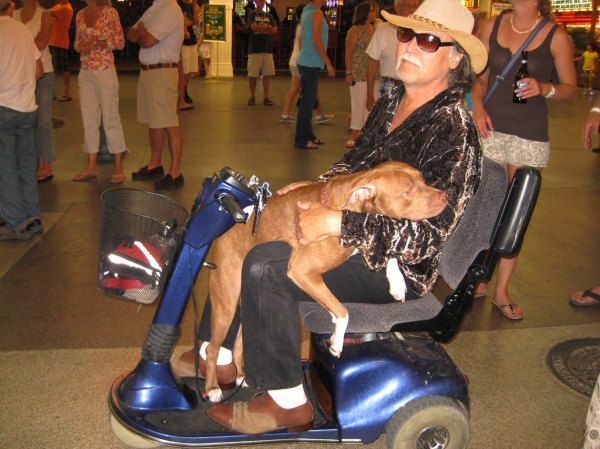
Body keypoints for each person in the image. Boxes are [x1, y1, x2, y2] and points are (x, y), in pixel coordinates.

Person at [172, 0, 487, 434]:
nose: (411, 47)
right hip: (354, 238)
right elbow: (351, 168)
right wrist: (311, 192)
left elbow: (428, 236)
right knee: (249, 228)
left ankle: (285, 400)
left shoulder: (453, 130)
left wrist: (339, 223)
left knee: (268, 264)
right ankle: (222, 358)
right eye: (406, 35)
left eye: (429, 40)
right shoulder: (393, 99)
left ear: (455, 58)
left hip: (393, 266)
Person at [470, 0, 577, 320]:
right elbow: (480, 80)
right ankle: (480, 274)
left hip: (529, 135)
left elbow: (571, 90)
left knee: (515, 212)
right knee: (486, 205)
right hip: (490, 129)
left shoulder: (556, 35)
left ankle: (501, 289)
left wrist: (544, 88)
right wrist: (477, 108)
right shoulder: (492, 26)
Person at [127, 0, 185, 189]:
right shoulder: (154, 8)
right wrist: (141, 32)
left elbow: (147, 41)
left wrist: (142, 32)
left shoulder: (170, 8)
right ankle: (155, 163)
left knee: (168, 122)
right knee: (155, 121)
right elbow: (131, 33)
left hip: (163, 71)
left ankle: (176, 172)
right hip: (148, 71)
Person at [0, 0, 44, 240]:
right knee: (26, 166)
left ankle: (16, 222)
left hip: (3, 106)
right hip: (27, 106)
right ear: (8, 7)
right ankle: (33, 216)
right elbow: (38, 71)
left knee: (5, 168)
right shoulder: (22, 30)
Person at [72, 0, 128, 184]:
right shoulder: (80, 14)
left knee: (111, 118)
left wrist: (95, 41)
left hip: (104, 70)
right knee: (88, 120)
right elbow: (77, 43)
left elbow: (119, 42)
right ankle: (91, 166)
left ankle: (118, 167)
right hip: (85, 70)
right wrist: (81, 46)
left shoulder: (110, 12)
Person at [13, 0, 56, 183]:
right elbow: (34, 42)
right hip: (20, 73)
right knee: (25, 120)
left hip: (43, 72)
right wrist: (33, 40)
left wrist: (22, 43)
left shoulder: (44, 14)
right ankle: (32, 163)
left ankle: (47, 164)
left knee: (43, 121)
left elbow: (42, 43)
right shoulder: (13, 14)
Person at [280, 4, 334, 125]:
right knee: (309, 91)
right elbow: (302, 45)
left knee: (298, 90)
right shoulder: (303, 26)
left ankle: (286, 114)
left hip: (295, 60)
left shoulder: (298, 25)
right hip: (301, 61)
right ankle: (318, 116)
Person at [293, 0, 335, 148]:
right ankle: (301, 139)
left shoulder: (306, 11)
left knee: (309, 101)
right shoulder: (316, 13)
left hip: (306, 60)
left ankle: (309, 135)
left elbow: (306, 40)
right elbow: (316, 40)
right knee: (307, 103)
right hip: (310, 62)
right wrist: (328, 63)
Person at [365, 0, 418, 114]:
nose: (412, 10)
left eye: (415, 6)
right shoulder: (383, 29)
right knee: (386, 126)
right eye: (409, 6)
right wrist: (369, 94)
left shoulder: (421, 31)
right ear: (397, 8)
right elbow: (372, 63)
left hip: (414, 86)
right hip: (389, 85)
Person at [344, 2, 379, 149]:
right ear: (364, 13)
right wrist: (349, 73)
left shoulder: (374, 29)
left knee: (372, 103)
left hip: (375, 72)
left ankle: (365, 134)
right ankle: (354, 135)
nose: (374, 13)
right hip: (358, 72)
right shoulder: (354, 31)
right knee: (358, 104)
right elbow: (348, 53)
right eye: (371, 11)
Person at [246, 0, 277, 106]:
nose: (262, 2)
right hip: (254, 48)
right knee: (253, 74)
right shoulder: (251, 14)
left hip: (267, 48)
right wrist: (266, 28)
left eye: (264, 0)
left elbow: (274, 30)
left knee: (267, 73)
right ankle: (252, 96)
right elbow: (253, 27)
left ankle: (266, 96)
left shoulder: (269, 16)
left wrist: (261, 30)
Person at [48, 0, 73, 102]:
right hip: (52, 41)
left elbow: (47, 12)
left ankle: (66, 93)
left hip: (60, 42)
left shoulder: (66, 8)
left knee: (63, 68)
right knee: (51, 69)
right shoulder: (58, 6)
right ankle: (52, 92)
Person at [177, 0, 198, 109]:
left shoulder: (189, 6)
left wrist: (194, 6)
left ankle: (185, 89)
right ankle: (181, 93)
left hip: (192, 40)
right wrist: (186, 22)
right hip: (183, 41)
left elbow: (195, 21)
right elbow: (182, 21)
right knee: (183, 69)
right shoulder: (177, 5)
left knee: (189, 69)